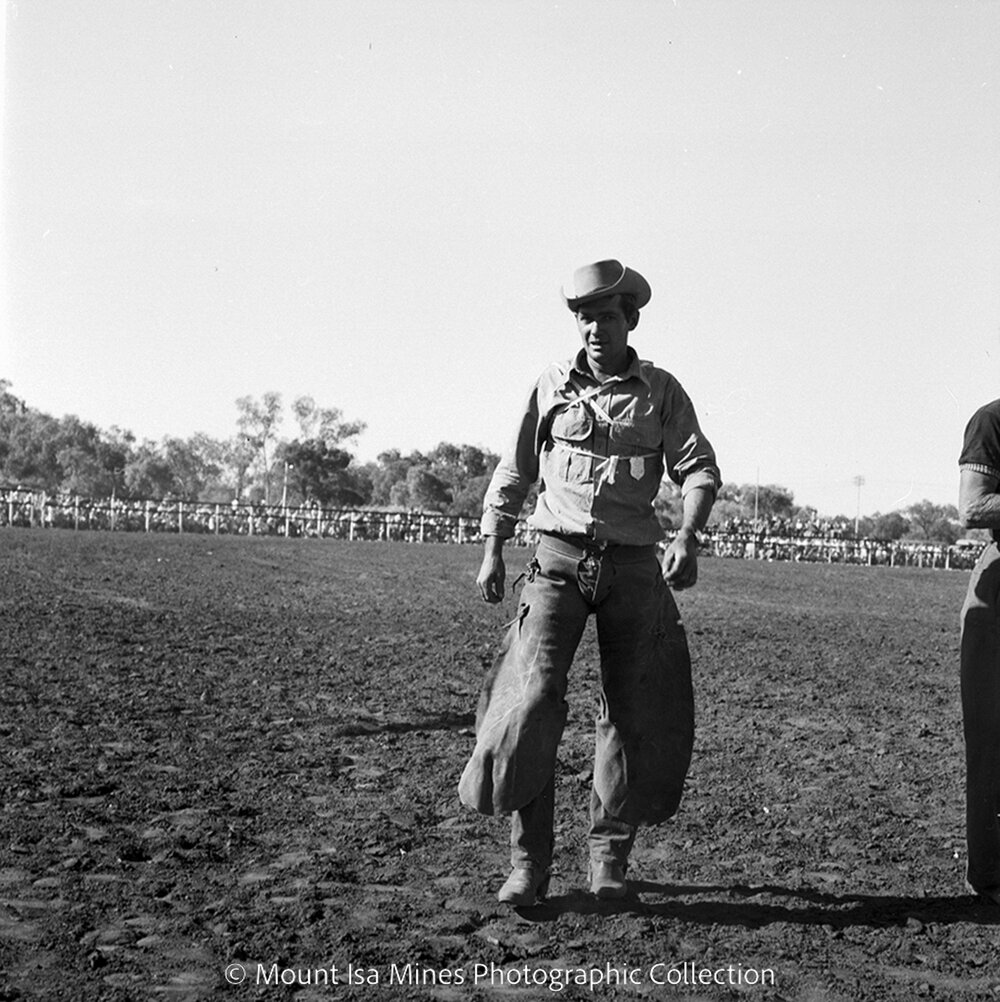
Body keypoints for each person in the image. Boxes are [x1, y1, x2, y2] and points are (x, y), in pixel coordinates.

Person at [458, 259, 721, 905]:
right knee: (531, 702)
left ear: (629, 319)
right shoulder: (549, 385)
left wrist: (686, 535)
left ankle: (609, 860)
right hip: (554, 561)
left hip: (633, 566)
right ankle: (529, 866)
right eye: (584, 316)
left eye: (606, 315)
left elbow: (699, 468)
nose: (594, 327)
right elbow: (514, 470)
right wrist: (492, 548)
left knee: (633, 712)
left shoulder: (661, 390)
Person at [957, 399, 1000, 906]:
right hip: (998, 588)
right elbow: (972, 506)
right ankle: (990, 876)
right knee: (991, 740)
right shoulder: (992, 420)